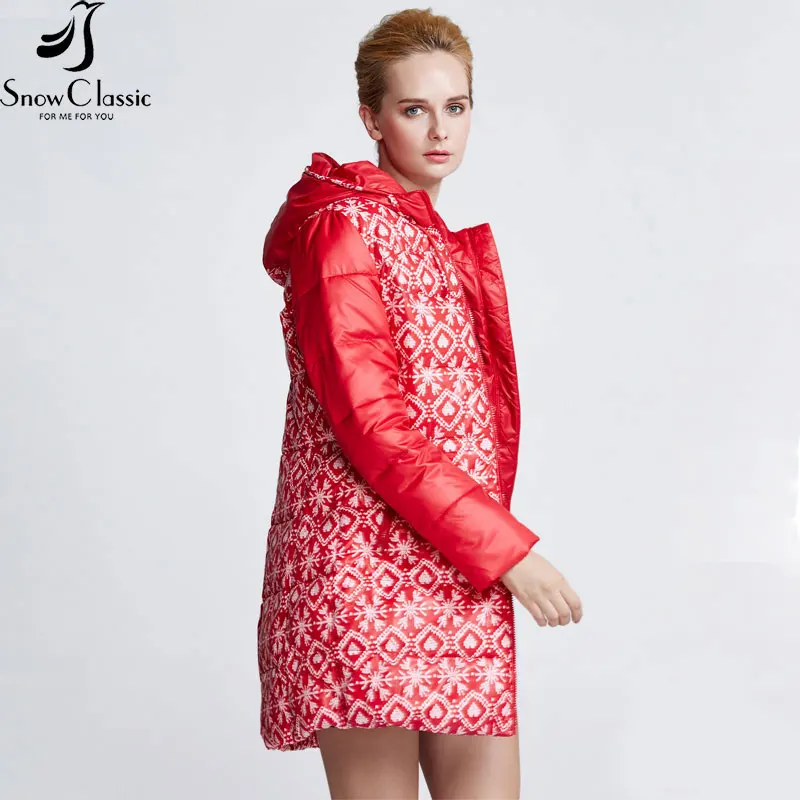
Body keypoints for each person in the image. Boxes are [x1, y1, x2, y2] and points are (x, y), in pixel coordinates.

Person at [256, 7, 583, 798]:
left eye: (456, 106)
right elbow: (373, 424)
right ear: (370, 118)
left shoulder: (430, 233)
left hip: (454, 563)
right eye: (413, 109)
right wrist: (510, 551)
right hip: (364, 574)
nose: (440, 130)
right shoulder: (341, 229)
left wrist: (488, 551)